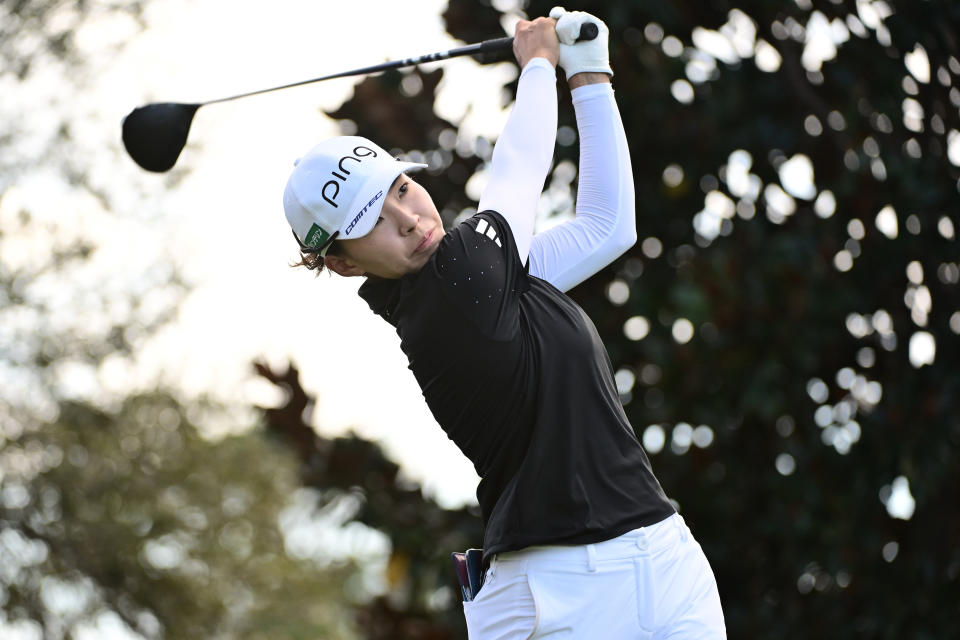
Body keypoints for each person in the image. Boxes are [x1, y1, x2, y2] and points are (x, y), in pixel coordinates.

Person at [282, 7, 726, 639]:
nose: (407, 218)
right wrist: (540, 65)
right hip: (560, 592)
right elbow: (517, 171)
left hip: (663, 555)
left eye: (401, 189)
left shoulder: (493, 282)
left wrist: (591, 75)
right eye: (372, 221)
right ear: (344, 264)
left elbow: (607, 225)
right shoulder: (455, 291)